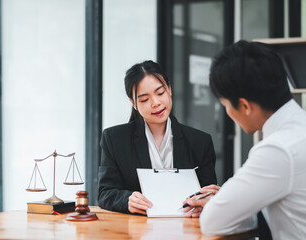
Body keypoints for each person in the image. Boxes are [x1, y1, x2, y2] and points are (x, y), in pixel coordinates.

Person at [183, 40, 306, 239]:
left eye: (225, 104)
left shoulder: (277, 150)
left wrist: (222, 201)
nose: (227, 112)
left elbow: (212, 222)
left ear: (245, 106)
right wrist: (237, 201)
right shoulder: (299, 128)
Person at [98, 60, 219, 215]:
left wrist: (207, 201)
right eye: (144, 99)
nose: (156, 103)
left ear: (169, 89)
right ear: (133, 103)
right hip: (136, 232)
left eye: (160, 93)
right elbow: (105, 193)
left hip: (187, 229)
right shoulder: (114, 139)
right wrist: (127, 200)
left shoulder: (200, 142)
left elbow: (207, 194)